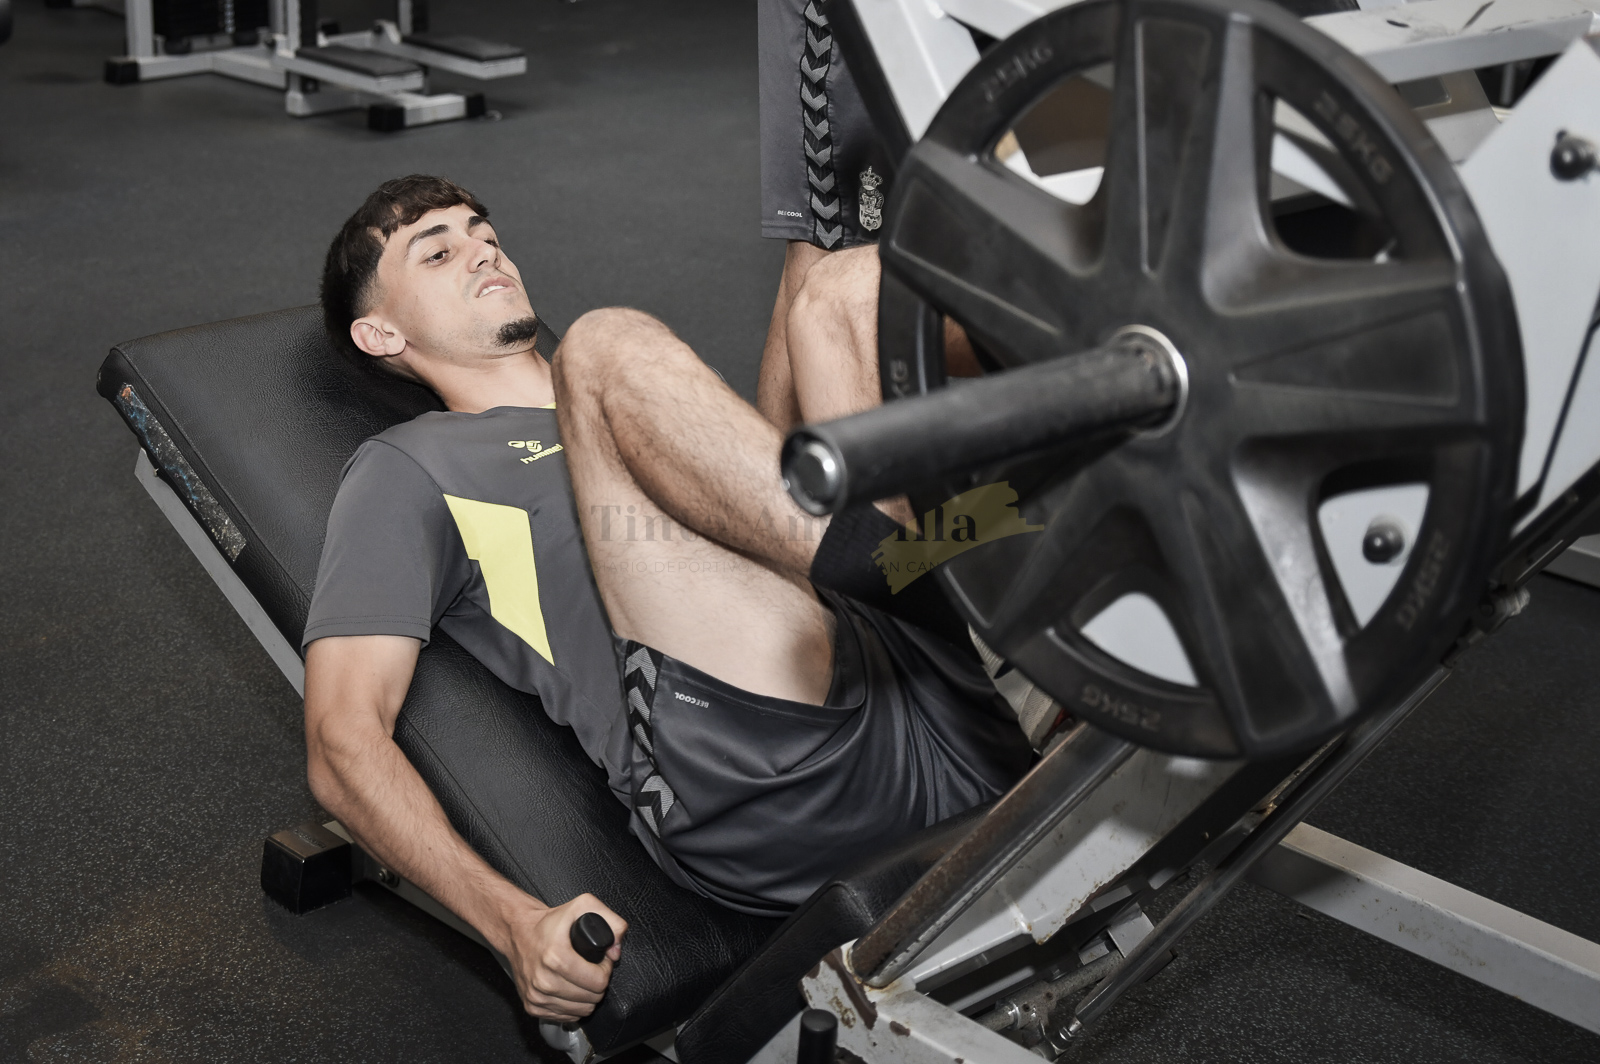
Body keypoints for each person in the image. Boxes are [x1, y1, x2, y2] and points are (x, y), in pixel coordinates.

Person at [301, 174, 1033, 1024]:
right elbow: (341, 737)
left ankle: (1090, 444)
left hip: (922, 693)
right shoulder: (409, 468)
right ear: (380, 332)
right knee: (604, 344)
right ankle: (985, 531)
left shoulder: (657, 407)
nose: (483, 251)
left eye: (483, 233)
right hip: (765, 773)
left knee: (841, 286)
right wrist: (513, 925)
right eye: (438, 252)